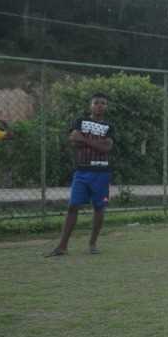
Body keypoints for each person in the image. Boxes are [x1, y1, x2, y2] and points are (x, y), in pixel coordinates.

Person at [45, 92, 116, 257]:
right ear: (90, 106)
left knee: (99, 207)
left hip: (102, 172)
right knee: (73, 206)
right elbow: (73, 141)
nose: (99, 105)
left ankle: (92, 244)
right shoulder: (80, 121)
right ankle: (62, 246)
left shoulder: (109, 126)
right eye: (96, 103)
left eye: (103, 103)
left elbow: (107, 148)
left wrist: (84, 140)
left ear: (106, 106)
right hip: (82, 171)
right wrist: (96, 143)